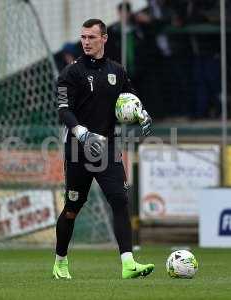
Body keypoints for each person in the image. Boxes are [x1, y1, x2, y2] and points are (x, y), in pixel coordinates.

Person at [53, 18, 154, 280]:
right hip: (78, 149)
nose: (86, 42)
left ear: (104, 39)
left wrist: (142, 114)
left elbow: (130, 99)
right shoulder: (70, 74)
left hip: (107, 148)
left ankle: (128, 264)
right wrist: (81, 131)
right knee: (73, 207)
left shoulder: (117, 71)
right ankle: (60, 261)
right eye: (83, 37)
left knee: (120, 200)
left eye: (91, 37)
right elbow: (64, 111)